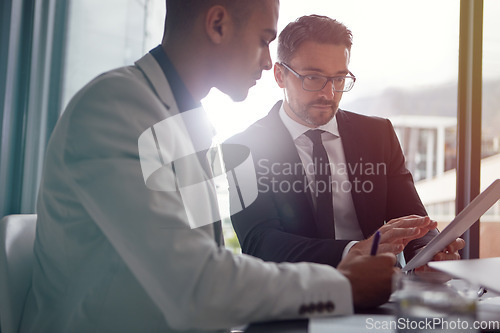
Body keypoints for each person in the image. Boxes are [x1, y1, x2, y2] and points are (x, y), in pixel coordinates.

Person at [20, 3, 399, 333]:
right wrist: (343, 285)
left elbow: (204, 266)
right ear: (217, 24)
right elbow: (195, 285)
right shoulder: (115, 109)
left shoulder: (188, 123)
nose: (269, 62)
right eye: (264, 39)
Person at [225, 15, 464, 270]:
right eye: (313, 78)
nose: (328, 94)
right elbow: (260, 242)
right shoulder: (243, 149)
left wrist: (428, 253)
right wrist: (355, 250)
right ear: (280, 75)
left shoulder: (378, 134)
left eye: (339, 79)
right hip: (295, 295)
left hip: (381, 291)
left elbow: (412, 220)